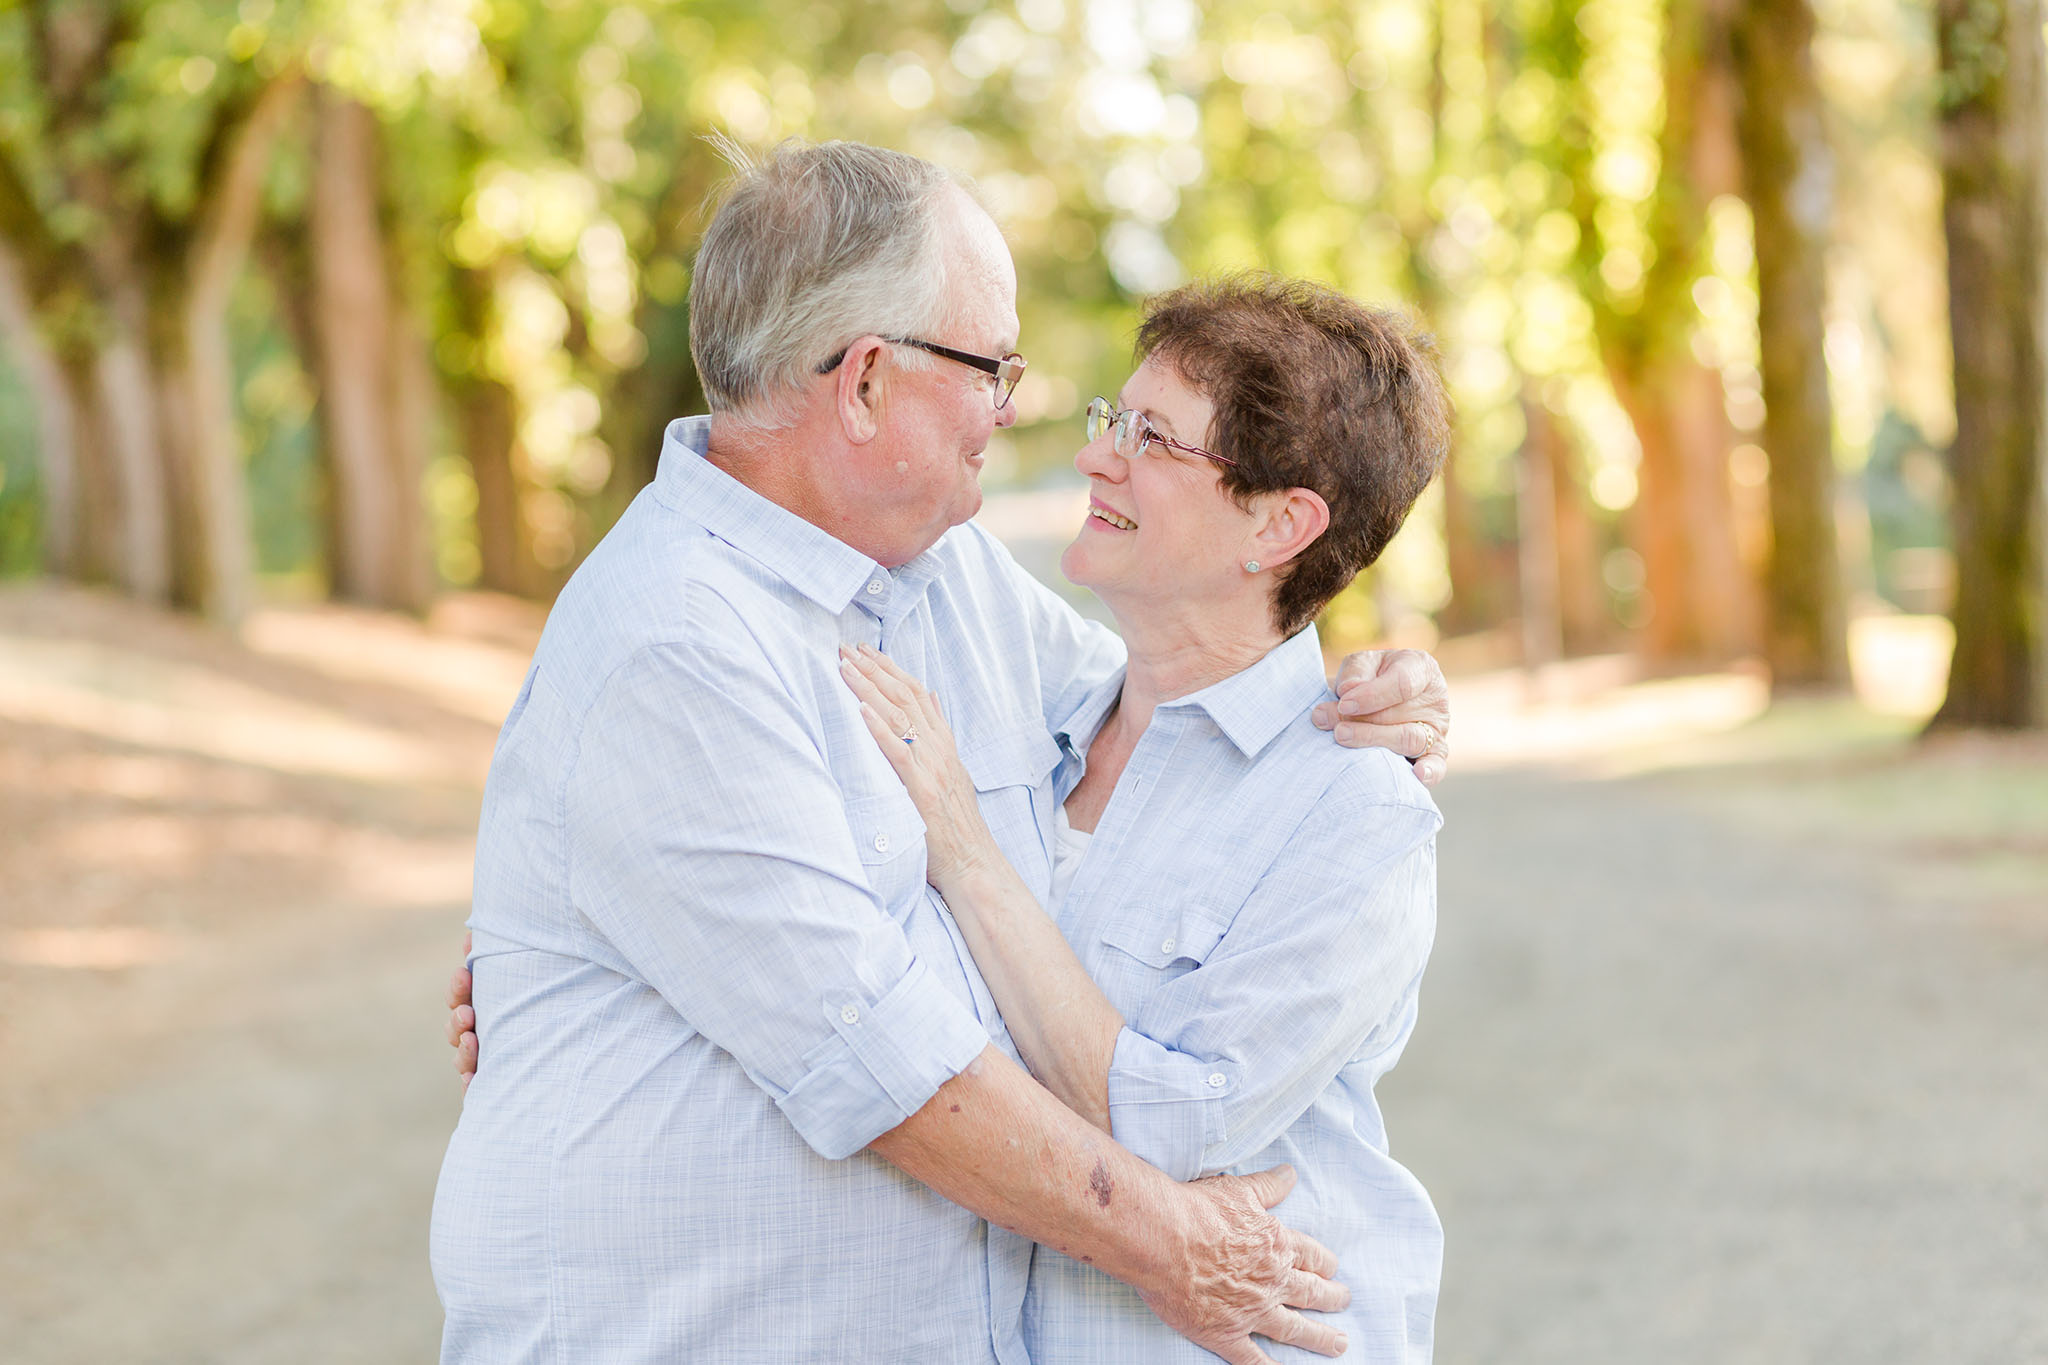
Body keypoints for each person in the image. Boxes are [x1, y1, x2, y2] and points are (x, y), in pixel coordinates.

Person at [430, 139, 1451, 1365]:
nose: (1026, 415)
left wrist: (1379, 695)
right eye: (990, 365)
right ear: (863, 383)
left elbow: (1177, 703)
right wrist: (1170, 1245)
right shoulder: (676, 642)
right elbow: (886, 1065)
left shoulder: (948, 580)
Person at [838, 274, 1450, 1362]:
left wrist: (966, 855)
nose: (1095, 456)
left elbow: (1159, 1141)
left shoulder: (1356, 815)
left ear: (1276, 523)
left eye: (1152, 439)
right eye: (1110, 419)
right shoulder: (1037, 706)